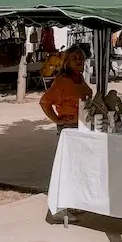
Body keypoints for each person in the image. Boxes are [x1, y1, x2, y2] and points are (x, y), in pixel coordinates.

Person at [40, 46, 93, 224]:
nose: (79, 60)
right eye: (75, 57)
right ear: (67, 61)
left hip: (81, 129)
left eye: (82, 57)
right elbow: (45, 102)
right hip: (69, 131)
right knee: (65, 170)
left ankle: (71, 203)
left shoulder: (79, 78)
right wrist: (58, 120)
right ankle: (58, 211)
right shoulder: (62, 81)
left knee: (76, 170)